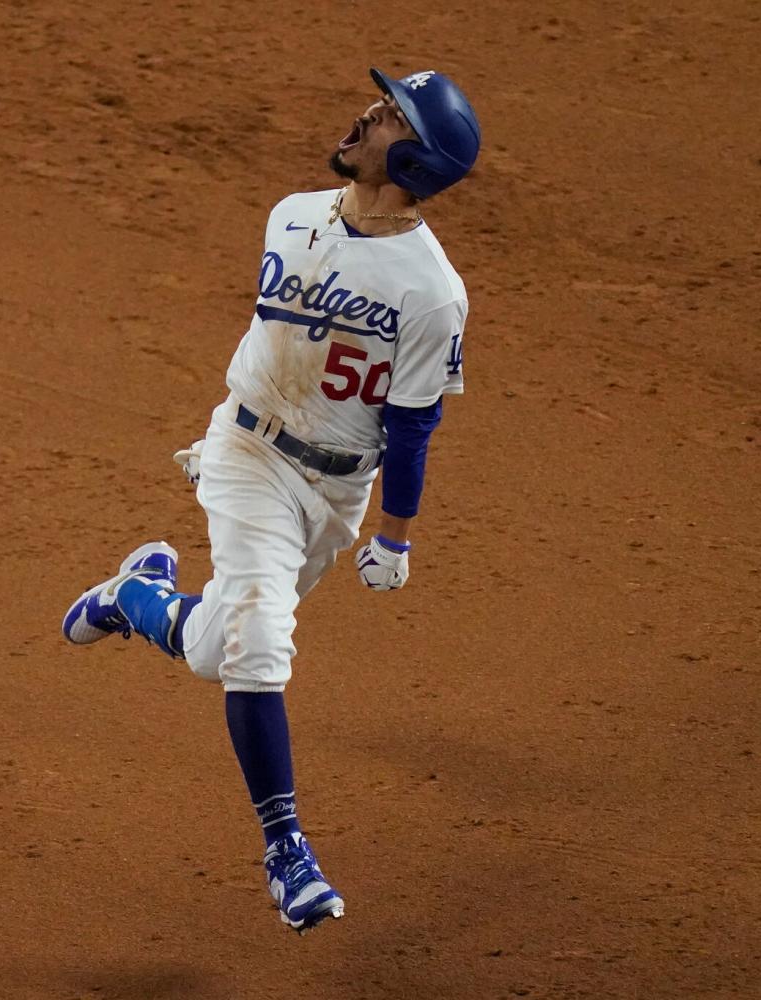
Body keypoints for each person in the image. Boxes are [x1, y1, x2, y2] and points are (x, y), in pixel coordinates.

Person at [62, 68, 481, 934]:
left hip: (334, 489)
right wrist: (234, 437)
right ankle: (286, 847)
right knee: (260, 651)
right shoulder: (292, 211)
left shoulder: (431, 292)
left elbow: (411, 426)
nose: (364, 115)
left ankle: (134, 597)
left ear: (411, 155)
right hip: (245, 450)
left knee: (221, 650)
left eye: (387, 114)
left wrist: (393, 536)